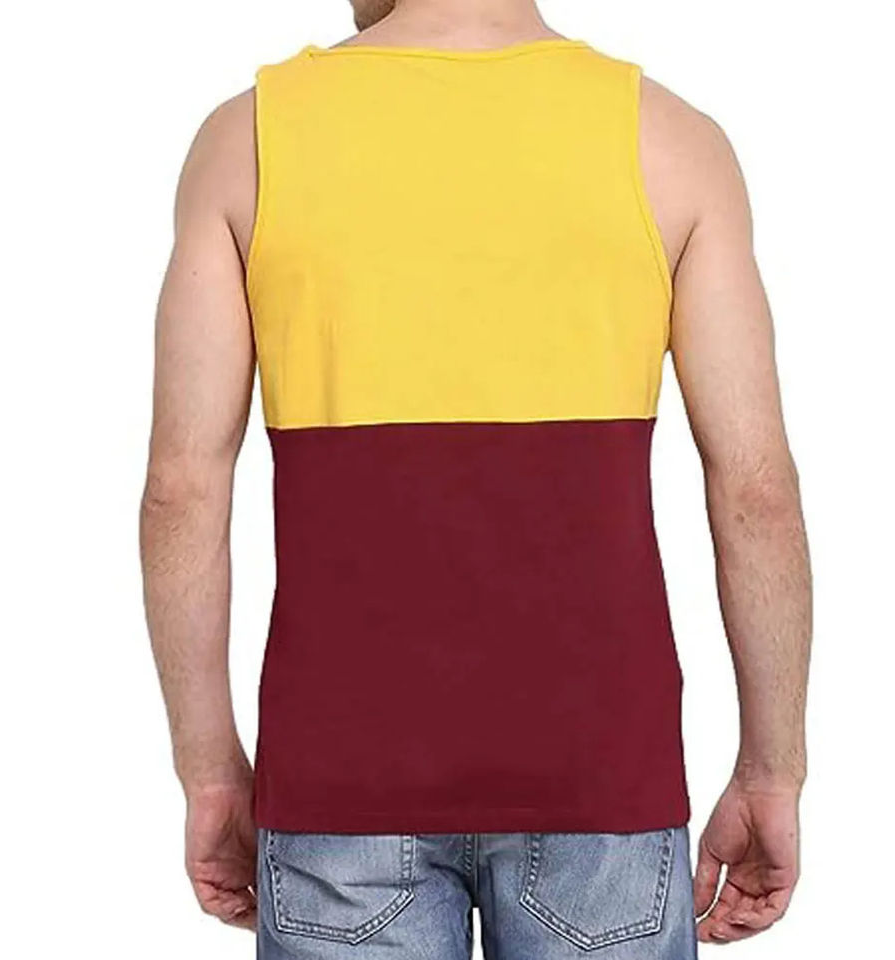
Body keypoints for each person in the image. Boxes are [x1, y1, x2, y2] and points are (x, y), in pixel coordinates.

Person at [140, 0, 812, 956]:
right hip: (602, 777)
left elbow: (182, 488)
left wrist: (210, 772)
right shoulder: (670, 141)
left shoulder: (246, 142)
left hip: (338, 781)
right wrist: (773, 768)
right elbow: (756, 489)